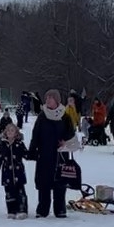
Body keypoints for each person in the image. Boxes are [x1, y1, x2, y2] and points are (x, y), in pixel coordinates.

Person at [27, 89, 75, 218]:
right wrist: (32, 151)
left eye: (50, 98)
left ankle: (60, 209)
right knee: (44, 183)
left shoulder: (64, 116)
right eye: (46, 98)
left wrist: (65, 140)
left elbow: (71, 132)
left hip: (60, 154)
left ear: (57, 100)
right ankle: (42, 209)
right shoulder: (42, 116)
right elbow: (35, 135)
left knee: (60, 182)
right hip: (44, 154)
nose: (48, 100)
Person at [0, 123, 29, 218]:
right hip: (7, 172)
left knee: (20, 192)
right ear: (5, 133)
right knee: (9, 192)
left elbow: (26, 154)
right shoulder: (2, 145)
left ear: (16, 133)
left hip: (18, 171)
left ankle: (22, 209)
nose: (10, 132)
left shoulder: (19, 144)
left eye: (12, 130)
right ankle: (11, 210)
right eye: (8, 130)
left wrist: (35, 155)